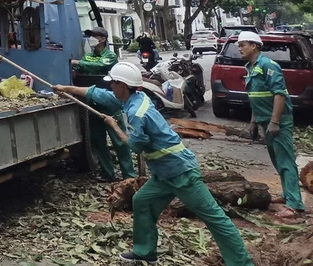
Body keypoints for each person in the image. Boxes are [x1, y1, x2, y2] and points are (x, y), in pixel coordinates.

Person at [54, 62, 254, 266]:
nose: (111, 87)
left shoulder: (137, 113)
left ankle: (242, 263)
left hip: (180, 173)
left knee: (214, 217)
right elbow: (98, 94)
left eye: (113, 83)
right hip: (163, 174)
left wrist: (114, 126)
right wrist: (65, 88)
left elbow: (134, 146)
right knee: (142, 201)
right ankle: (145, 253)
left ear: (122, 85)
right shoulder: (133, 98)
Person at [237, 30, 305, 218]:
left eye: (242, 45)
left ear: (254, 45)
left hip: (278, 122)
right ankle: (287, 194)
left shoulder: (268, 65)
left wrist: (275, 121)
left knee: (285, 161)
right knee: (277, 160)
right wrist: (253, 122)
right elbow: (255, 97)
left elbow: (279, 94)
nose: (239, 48)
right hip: (265, 120)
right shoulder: (250, 68)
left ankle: (295, 205)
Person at [71, 27, 136, 181]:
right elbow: (81, 66)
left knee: (119, 140)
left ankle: (129, 176)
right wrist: (79, 64)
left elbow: (99, 65)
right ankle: (108, 174)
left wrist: (79, 63)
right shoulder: (88, 55)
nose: (91, 38)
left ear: (102, 39)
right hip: (92, 102)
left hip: (109, 101)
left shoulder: (111, 56)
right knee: (98, 140)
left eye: (94, 36)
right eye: (90, 36)